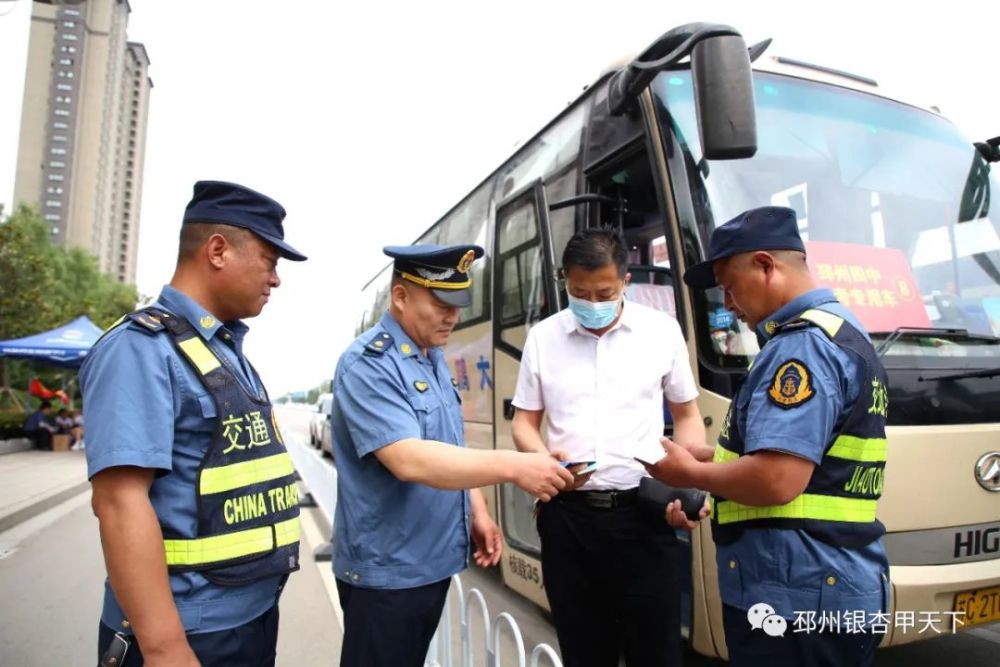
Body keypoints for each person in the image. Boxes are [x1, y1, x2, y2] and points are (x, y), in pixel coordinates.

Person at [649, 206, 889, 667]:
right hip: (825, 584)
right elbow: (811, 457)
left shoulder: (800, 347)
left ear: (765, 264)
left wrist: (690, 471)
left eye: (731, 286)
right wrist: (713, 457)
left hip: (797, 595)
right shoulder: (843, 330)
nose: (730, 303)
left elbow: (778, 479)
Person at [80, 180, 307, 667]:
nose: (276, 278)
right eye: (270, 260)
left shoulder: (221, 351)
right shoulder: (140, 350)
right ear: (218, 250)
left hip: (248, 617)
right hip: (189, 632)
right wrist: (164, 649)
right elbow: (120, 502)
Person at [331, 243, 575, 667]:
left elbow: (448, 443)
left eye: (458, 304)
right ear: (401, 296)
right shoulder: (370, 364)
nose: (453, 316)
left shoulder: (433, 359)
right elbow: (409, 458)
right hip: (388, 575)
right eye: (441, 303)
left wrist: (476, 508)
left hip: (430, 563)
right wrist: (515, 466)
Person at [511, 227, 706, 667]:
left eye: (604, 292)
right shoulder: (543, 337)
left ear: (625, 282)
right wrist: (541, 459)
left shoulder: (661, 332)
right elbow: (524, 423)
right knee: (584, 650)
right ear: (565, 281)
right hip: (568, 518)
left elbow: (688, 414)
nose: (593, 304)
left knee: (655, 650)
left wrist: (689, 480)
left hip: (644, 515)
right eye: (580, 293)